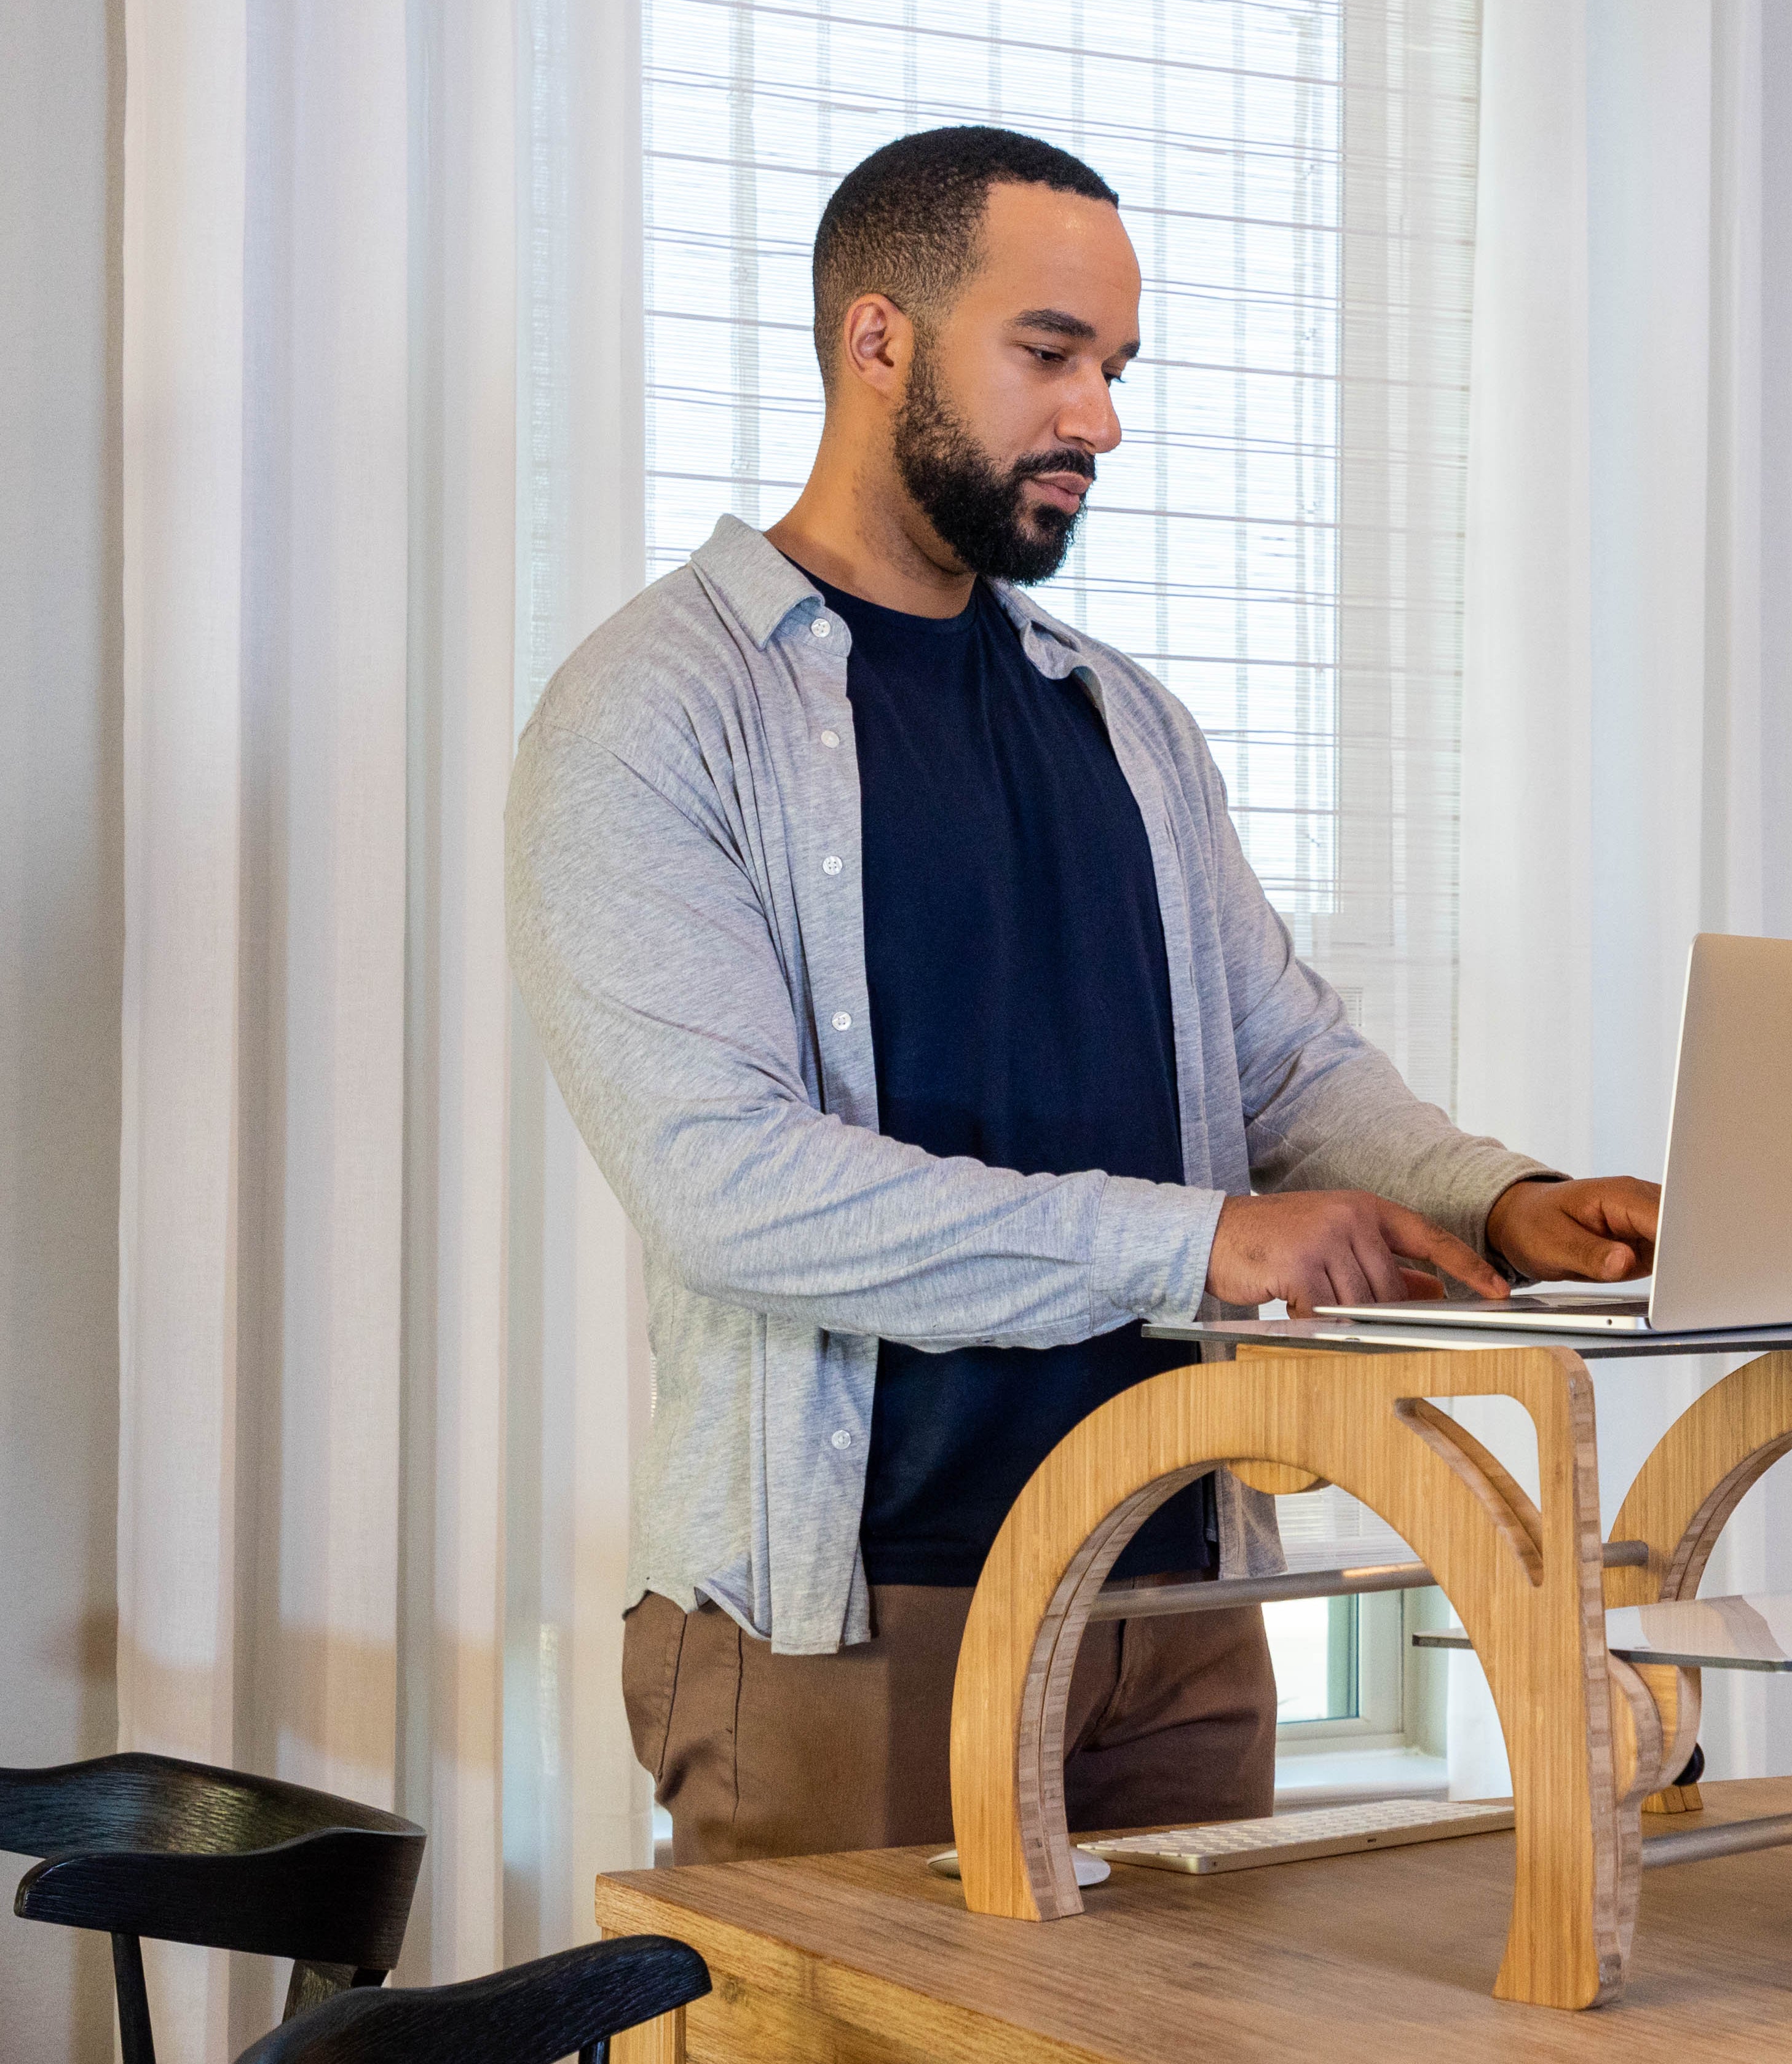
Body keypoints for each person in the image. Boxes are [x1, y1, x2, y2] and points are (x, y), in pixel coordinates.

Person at [506, 124, 1656, 1865]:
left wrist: (1493, 1193)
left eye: (1112, 369)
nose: (1099, 420)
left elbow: (1283, 1067)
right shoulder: (654, 713)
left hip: (1174, 1606)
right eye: (1049, 356)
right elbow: (727, 1191)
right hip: (860, 1631)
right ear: (877, 339)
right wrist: (1199, 1245)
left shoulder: (1122, 718)